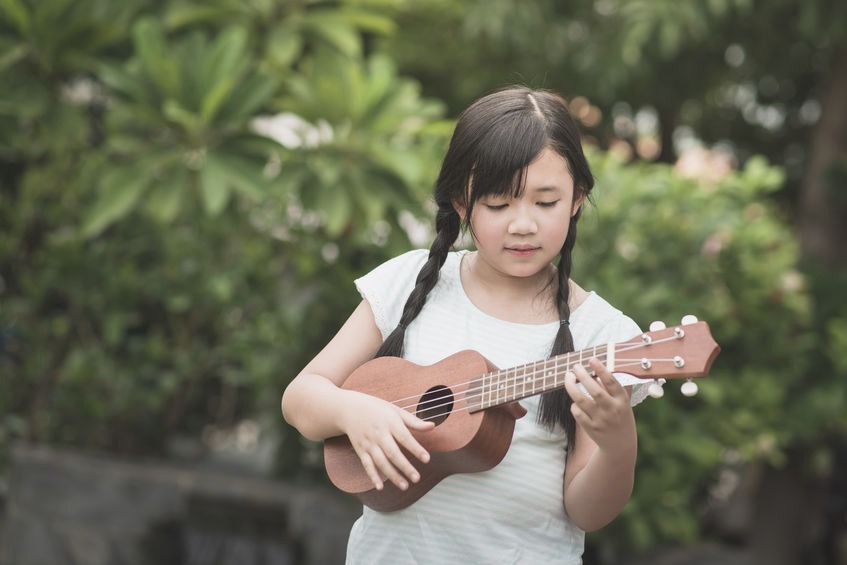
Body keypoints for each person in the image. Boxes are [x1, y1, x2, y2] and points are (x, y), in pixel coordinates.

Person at [281, 86, 656, 564]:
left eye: (545, 203)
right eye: (499, 205)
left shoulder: (600, 334)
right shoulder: (409, 282)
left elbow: (588, 512)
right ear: (461, 202)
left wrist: (618, 442)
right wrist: (352, 411)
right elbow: (301, 398)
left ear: (577, 199)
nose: (523, 224)